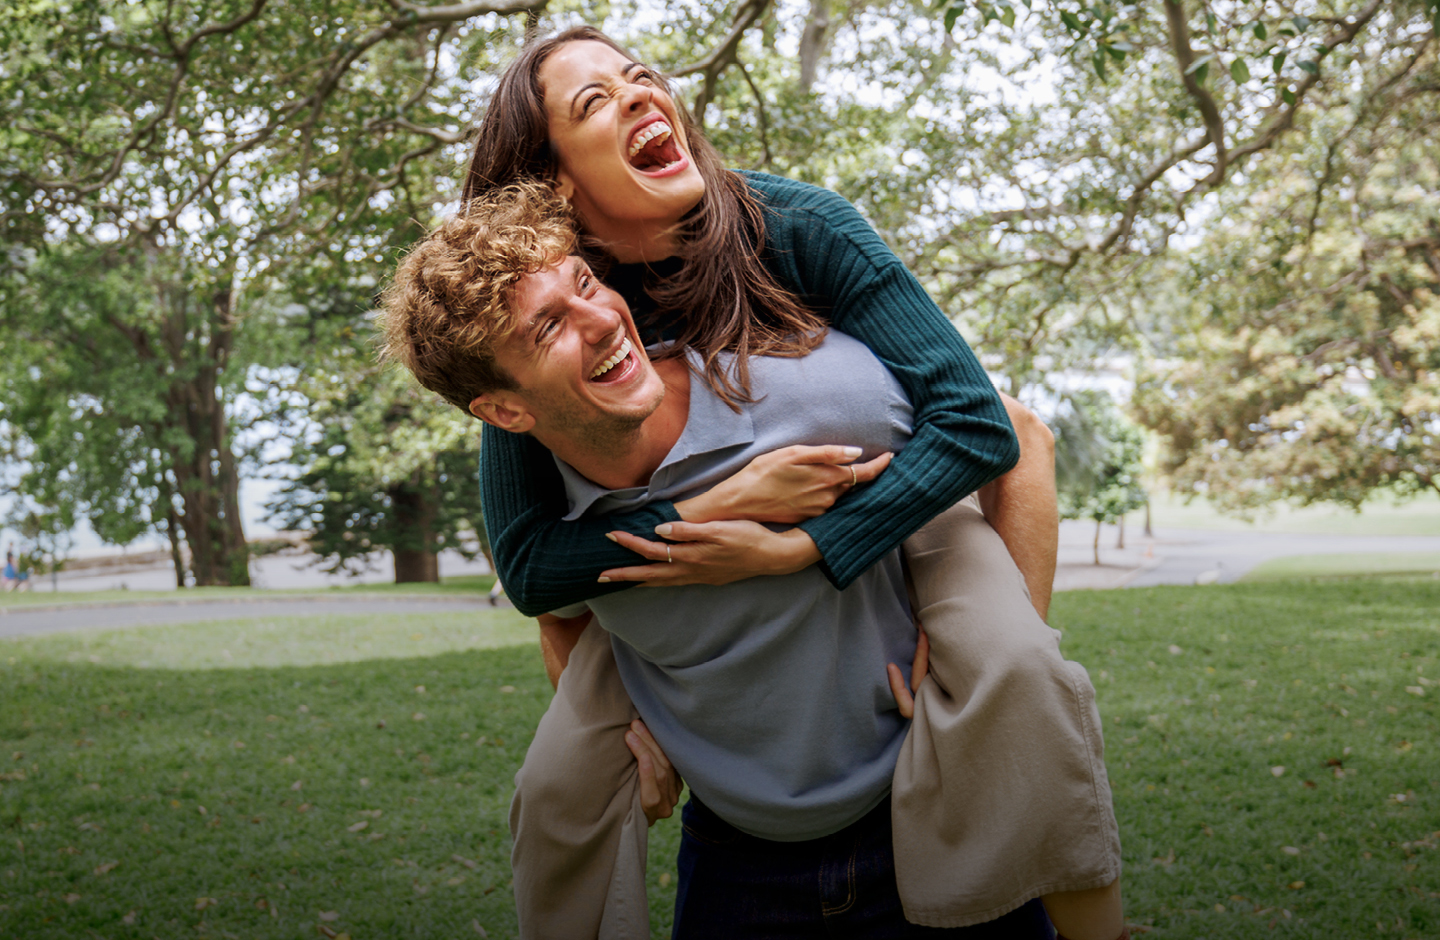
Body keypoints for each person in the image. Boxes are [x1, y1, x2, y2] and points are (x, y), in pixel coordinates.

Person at [382, 183, 1123, 938]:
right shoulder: (553, 518)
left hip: (926, 809)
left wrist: (995, 674)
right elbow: (554, 607)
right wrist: (629, 733)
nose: (603, 319)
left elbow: (1015, 436)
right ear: (505, 413)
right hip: (739, 866)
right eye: (548, 329)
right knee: (549, 795)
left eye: (586, 283)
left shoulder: (809, 395)